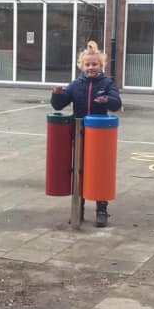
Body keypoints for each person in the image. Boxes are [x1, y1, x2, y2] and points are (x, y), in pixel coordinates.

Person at [51, 41, 122, 227]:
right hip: (80, 134)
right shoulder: (75, 85)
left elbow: (116, 103)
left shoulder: (107, 83)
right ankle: (79, 209)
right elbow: (59, 105)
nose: (91, 67)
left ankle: (101, 210)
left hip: (101, 137)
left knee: (100, 170)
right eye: (87, 64)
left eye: (94, 64)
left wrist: (107, 99)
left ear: (101, 65)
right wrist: (57, 94)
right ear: (81, 66)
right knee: (79, 170)